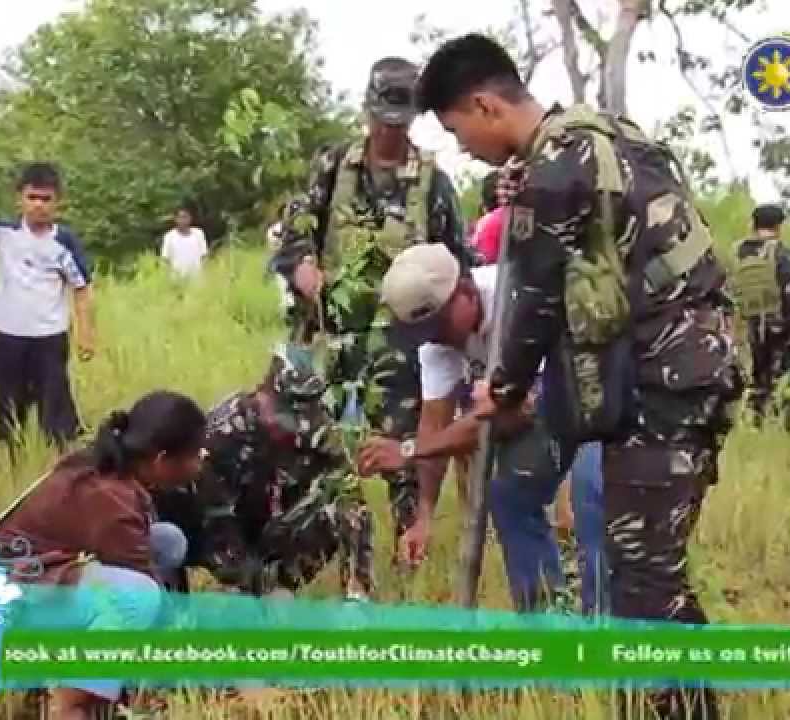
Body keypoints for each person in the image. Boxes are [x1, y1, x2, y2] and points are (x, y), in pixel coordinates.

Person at [417, 34, 742, 719]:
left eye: (458, 129)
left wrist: (500, 391)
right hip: (685, 368)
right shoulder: (602, 136)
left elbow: (533, 300)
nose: (464, 146)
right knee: (647, 566)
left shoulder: (556, 168)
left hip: (665, 380)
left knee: (643, 574)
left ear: (484, 104)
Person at [270, 55, 472, 554]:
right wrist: (302, 269)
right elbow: (294, 233)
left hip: (404, 349)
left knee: (402, 453)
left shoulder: (433, 183)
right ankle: (339, 553)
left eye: (399, 123)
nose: (389, 132)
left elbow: (459, 263)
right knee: (331, 452)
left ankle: (411, 547)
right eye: (382, 120)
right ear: (367, 111)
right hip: (335, 340)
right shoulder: (333, 165)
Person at [356, 245, 608, 614]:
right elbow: (435, 424)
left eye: (439, 325)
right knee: (509, 493)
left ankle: (604, 620)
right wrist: (423, 514)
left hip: (602, 397)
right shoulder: (437, 346)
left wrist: (409, 451)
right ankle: (545, 620)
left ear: (466, 292)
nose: (436, 338)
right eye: (424, 332)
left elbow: (515, 415)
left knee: (593, 493)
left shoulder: (519, 299)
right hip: (549, 413)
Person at [0, 391, 205, 720]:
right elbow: (150, 600)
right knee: (138, 597)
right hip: (2, 600)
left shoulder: (108, 467)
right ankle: (72, 703)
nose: (200, 462)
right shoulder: (113, 501)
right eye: (194, 455)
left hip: (33, 573)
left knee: (167, 542)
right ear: (161, 459)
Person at [153, 345, 373, 601]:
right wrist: (262, 587)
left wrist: (355, 596)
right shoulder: (221, 437)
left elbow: (347, 488)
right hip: (217, 536)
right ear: (264, 398)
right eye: (288, 416)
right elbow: (218, 530)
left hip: (273, 524)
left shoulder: (314, 426)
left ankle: (350, 601)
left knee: (340, 505)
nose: (296, 430)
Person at [0, 163, 95, 451]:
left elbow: (81, 287)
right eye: (32, 198)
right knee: (8, 409)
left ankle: (59, 463)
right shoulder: (2, 233)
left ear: (58, 202)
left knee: (54, 410)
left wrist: (85, 333)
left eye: (46, 199)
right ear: (20, 198)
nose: (38, 205)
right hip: (9, 336)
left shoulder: (64, 241)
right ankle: (10, 462)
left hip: (50, 338)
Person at [730, 204, 790, 428]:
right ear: (779, 226)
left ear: (753, 224)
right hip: (782, 328)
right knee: (786, 382)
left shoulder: (740, 252)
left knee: (759, 381)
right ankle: (783, 429)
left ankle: (755, 426)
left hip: (754, 328)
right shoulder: (781, 252)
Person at [160, 203, 208, 278]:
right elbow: (165, 259)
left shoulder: (198, 233)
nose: (183, 220)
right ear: (175, 219)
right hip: (177, 278)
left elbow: (204, 256)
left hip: (196, 278)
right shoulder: (169, 236)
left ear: (190, 218)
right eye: (180, 217)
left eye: (185, 217)